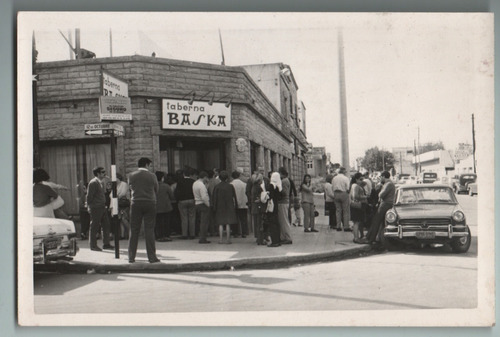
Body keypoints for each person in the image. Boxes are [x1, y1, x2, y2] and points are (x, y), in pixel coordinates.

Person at [128, 157, 160, 263]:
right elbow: (156, 189)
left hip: (136, 203)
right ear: (147, 165)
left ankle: (131, 257)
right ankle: (151, 257)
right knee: (149, 230)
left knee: (134, 230)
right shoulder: (152, 176)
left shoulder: (131, 175)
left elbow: (130, 188)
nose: (150, 168)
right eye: (150, 165)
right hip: (150, 203)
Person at [360, 170, 396, 245]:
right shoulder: (389, 184)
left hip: (385, 204)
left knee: (376, 221)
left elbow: (381, 195)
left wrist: (380, 191)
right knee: (379, 222)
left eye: (381, 177)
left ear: (383, 176)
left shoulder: (388, 184)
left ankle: (370, 239)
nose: (380, 179)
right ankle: (374, 237)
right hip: (387, 203)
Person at [86, 166, 113, 251]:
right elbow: (89, 196)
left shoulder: (100, 182)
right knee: (94, 226)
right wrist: (89, 206)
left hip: (101, 206)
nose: (105, 173)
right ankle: (93, 245)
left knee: (106, 225)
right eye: (103, 172)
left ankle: (106, 244)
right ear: (98, 174)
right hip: (96, 207)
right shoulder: (93, 183)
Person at [212, 170, 238, 244]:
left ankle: (220, 239)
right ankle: (228, 240)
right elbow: (234, 197)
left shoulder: (217, 187)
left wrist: (214, 207)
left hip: (220, 206)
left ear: (219, 178)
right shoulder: (230, 186)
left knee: (220, 223)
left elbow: (214, 198)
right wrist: (235, 205)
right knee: (228, 223)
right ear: (227, 178)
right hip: (229, 206)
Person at [175, 167, 196, 239]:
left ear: (183, 174)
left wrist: (178, 200)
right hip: (192, 200)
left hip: (182, 201)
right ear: (190, 174)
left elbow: (177, 192)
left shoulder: (180, 181)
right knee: (192, 217)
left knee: (184, 218)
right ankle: (192, 234)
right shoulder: (193, 181)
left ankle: (184, 234)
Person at [263, 172, 282, 247]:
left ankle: (274, 242)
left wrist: (266, 194)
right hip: (276, 205)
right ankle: (278, 240)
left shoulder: (271, 185)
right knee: (276, 223)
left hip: (271, 206)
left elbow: (270, 196)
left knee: (272, 223)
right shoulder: (278, 186)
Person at [155, 171, 174, 242]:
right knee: (166, 222)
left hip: (156, 207)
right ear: (162, 178)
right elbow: (171, 196)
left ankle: (159, 236)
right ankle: (166, 236)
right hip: (166, 207)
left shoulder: (153, 186)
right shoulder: (166, 186)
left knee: (158, 222)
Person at [193, 171, 211, 244]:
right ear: (205, 177)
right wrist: (208, 204)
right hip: (203, 204)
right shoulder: (201, 185)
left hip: (197, 203)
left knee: (200, 221)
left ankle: (202, 237)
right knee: (204, 222)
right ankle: (203, 238)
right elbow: (204, 197)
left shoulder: (195, 183)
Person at [350, 172, 368, 243]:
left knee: (357, 222)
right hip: (357, 205)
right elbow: (355, 196)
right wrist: (365, 197)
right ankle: (356, 238)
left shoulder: (354, 185)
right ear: (356, 179)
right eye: (360, 179)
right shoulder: (356, 186)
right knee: (356, 222)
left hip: (356, 205)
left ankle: (358, 237)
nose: (361, 181)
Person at [230, 170, 249, 238]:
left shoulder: (231, 184)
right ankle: (244, 232)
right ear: (239, 176)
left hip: (234, 204)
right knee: (243, 218)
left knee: (235, 218)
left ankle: (235, 232)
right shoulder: (244, 184)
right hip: (243, 203)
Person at [250, 173, 267, 245]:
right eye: (262, 179)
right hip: (258, 207)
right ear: (259, 180)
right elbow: (259, 198)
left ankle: (258, 239)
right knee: (260, 223)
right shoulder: (258, 187)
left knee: (257, 223)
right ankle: (260, 240)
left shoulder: (253, 187)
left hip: (254, 207)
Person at [277, 167, 293, 244]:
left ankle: (288, 237)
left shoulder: (284, 181)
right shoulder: (286, 180)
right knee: (283, 220)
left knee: (284, 221)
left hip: (283, 202)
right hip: (285, 202)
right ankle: (284, 236)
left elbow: (284, 192)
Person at [332, 167, 351, 232]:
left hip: (336, 194)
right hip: (343, 193)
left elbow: (332, 187)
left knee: (338, 210)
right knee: (345, 211)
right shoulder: (345, 178)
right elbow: (348, 188)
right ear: (344, 172)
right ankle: (346, 226)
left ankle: (338, 226)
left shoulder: (334, 178)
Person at [116, 173, 131, 240]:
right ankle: (122, 235)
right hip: (118, 204)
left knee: (124, 219)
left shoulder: (124, 184)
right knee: (120, 220)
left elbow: (123, 193)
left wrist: (116, 196)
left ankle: (130, 233)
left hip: (124, 204)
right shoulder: (116, 185)